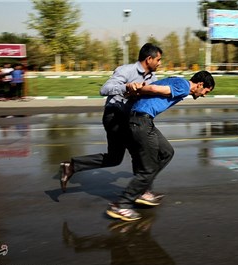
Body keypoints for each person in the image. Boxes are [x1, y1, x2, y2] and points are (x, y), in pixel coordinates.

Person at [106, 70, 215, 221]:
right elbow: (152, 88)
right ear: (200, 84)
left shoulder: (177, 81)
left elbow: (154, 86)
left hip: (143, 120)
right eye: (205, 91)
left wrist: (134, 93)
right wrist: (133, 89)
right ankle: (122, 204)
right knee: (148, 168)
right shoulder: (183, 86)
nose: (204, 94)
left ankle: (142, 190)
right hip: (141, 121)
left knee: (166, 152)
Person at [59, 43, 163, 197]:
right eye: (158, 60)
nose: (160, 63)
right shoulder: (126, 70)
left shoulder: (153, 78)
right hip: (115, 116)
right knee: (139, 150)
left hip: (130, 118)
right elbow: (105, 89)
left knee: (114, 158)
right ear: (149, 59)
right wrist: (126, 87)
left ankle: (72, 166)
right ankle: (142, 191)